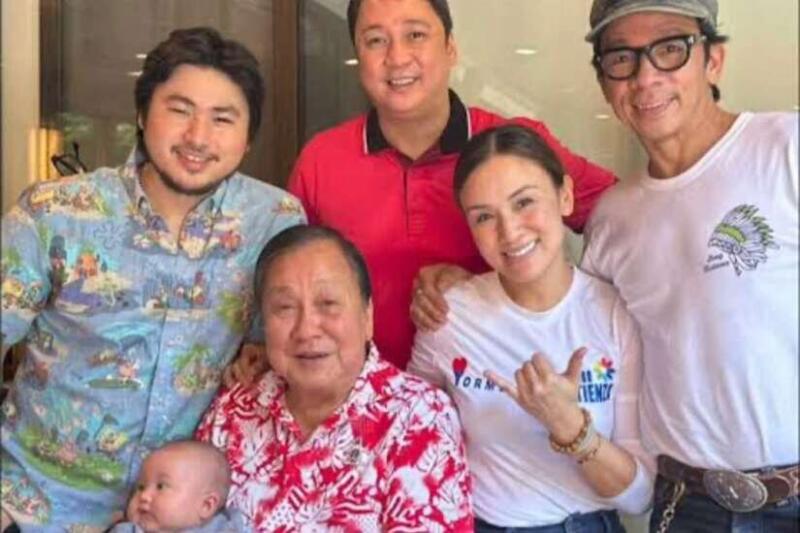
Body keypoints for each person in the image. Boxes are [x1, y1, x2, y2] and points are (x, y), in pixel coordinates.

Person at [0, 27, 304, 531]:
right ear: (142, 115)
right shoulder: (54, 213)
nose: (198, 138)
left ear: (248, 137)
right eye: (180, 110)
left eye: (223, 119)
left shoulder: (274, 221)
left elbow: (277, 354)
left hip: (177, 518)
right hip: (34, 504)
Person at [286, 0, 618, 370]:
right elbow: (286, 281)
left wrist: (484, 289)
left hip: (497, 390)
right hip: (360, 394)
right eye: (376, 40)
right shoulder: (320, 160)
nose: (397, 57)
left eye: (415, 35)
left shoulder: (511, 147)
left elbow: (627, 218)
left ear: (450, 48)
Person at [581, 0, 799, 531]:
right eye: (622, 58)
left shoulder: (786, 149)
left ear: (713, 60)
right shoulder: (611, 220)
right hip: (688, 505)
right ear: (606, 85)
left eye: (670, 49)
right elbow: (584, 342)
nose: (646, 77)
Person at [408, 124, 652, 532]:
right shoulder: (448, 315)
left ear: (565, 196)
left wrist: (569, 426)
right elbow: (410, 432)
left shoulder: (616, 313)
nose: (509, 231)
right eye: (484, 217)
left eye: (524, 202)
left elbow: (640, 497)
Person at [196, 225, 473, 531]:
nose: (306, 329)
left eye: (328, 303)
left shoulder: (419, 418)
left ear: (367, 317)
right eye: (284, 308)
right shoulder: (236, 407)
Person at [109, 440, 246, 532]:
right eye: (141, 487)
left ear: (206, 505)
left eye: (161, 486)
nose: (144, 496)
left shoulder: (227, 527)